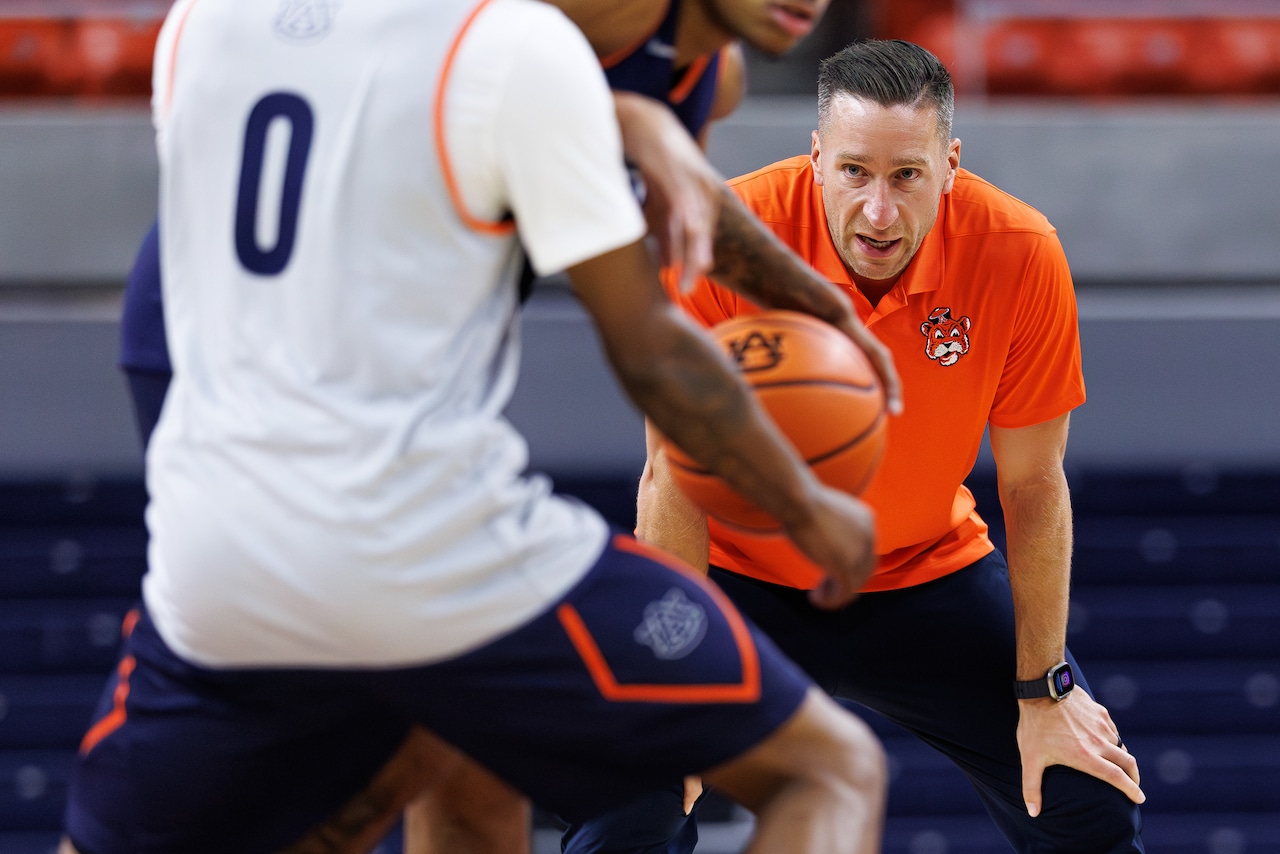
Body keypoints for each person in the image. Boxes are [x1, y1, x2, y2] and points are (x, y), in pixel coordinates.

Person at [61, 1, 892, 853]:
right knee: (388, 717)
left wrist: (805, 291)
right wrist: (802, 503)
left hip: (289, 464)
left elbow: (648, 202)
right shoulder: (510, 43)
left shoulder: (697, 71)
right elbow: (645, 337)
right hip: (245, 357)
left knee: (451, 759)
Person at [570, 38, 1149, 853]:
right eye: (854, 173)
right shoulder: (723, 238)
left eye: (907, 175)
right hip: (743, 577)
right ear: (816, 159)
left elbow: (1033, 487)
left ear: (950, 164)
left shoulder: (1019, 254)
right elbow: (672, 479)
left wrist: (1046, 690)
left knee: (1087, 800)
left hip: (924, 572)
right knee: (628, 800)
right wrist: (682, 687)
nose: (879, 211)